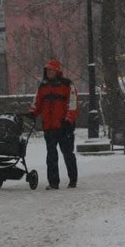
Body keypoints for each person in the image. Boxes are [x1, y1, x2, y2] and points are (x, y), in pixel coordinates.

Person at [29, 58, 79, 190]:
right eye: (48, 70)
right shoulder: (43, 86)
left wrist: (69, 120)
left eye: (51, 70)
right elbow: (37, 103)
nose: (49, 72)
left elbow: (72, 104)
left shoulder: (68, 85)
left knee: (67, 153)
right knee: (51, 155)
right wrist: (32, 113)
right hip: (49, 126)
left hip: (64, 126)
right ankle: (53, 182)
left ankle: (73, 179)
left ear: (57, 71)